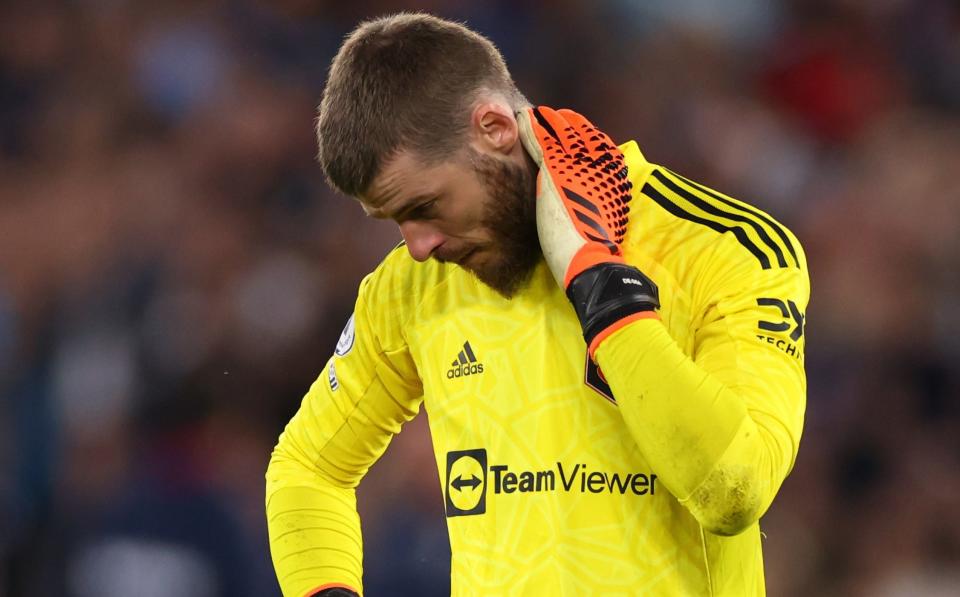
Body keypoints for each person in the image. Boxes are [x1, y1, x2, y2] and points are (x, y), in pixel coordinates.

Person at [266, 12, 808, 597]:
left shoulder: (723, 250)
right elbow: (306, 471)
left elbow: (734, 491)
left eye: (424, 206)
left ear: (495, 128)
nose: (417, 247)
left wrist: (597, 280)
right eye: (394, 221)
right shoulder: (410, 288)